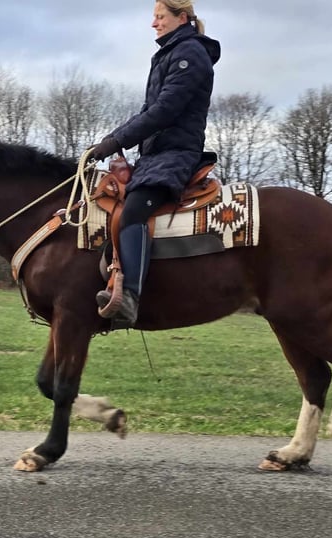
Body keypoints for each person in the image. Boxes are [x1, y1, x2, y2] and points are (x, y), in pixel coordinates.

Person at [91, 0, 221, 326]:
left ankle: (130, 297)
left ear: (181, 18)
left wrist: (117, 141)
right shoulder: (170, 53)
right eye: (154, 17)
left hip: (176, 154)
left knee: (134, 209)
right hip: (155, 155)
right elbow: (149, 112)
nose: (154, 24)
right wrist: (110, 141)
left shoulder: (190, 54)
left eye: (160, 17)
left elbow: (164, 111)